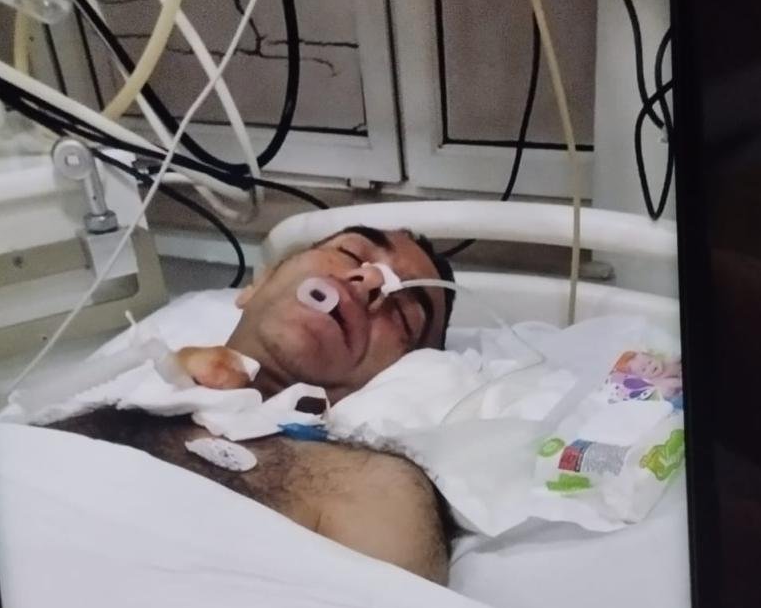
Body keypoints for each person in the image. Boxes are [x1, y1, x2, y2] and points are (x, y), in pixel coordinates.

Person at [51, 225, 458, 584]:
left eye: (404, 312)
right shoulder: (112, 395)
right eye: (351, 253)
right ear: (257, 285)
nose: (369, 279)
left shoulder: (373, 488)